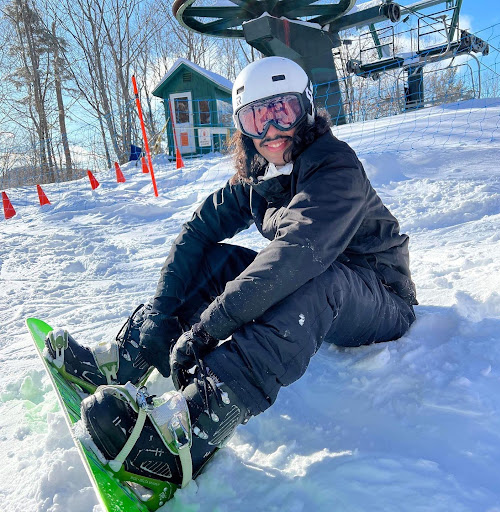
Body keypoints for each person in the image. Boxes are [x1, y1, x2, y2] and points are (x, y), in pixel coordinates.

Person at [45, 57, 417, 489]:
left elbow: (297, 254)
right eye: (257, 118)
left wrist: (207, 329)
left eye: (283, 111)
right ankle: (128, 359)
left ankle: (191, 434)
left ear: (307, 110)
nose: (272, 130)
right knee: (217, 261)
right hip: (322, 279)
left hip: (381, 296)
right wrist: (161, 315)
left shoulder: (336, 168)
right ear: (242, 127)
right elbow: (198, 231)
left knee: (310, 280)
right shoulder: (262, 175)